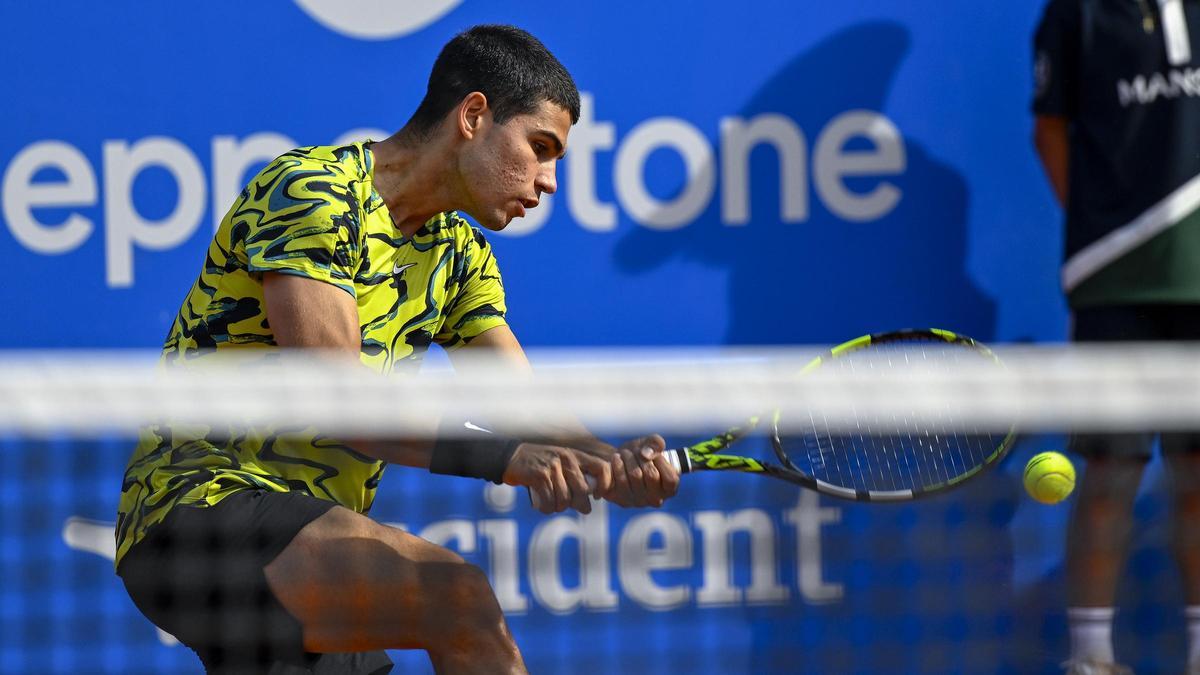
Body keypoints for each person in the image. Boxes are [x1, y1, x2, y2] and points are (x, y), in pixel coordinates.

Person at [114, 24, 680, 674]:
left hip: (309, 543)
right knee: (458, 600)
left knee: (454, 610)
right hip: (197, 511)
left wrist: (610, 460)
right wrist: (511, 459)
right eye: (540, 147)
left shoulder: (458, 254)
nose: (549, 181)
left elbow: (518, 403)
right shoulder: (313, 194)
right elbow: (344, 403)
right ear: (474, 115)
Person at [1032, 0, 1200, 673]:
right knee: (1107, 473)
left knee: (1197, 475)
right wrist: (1114, 235)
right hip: (1114, 289)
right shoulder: (1074, 13)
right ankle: (1091, 658)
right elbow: (1050, 128)